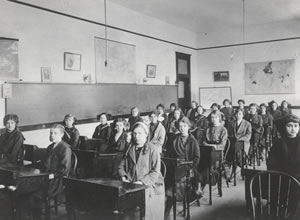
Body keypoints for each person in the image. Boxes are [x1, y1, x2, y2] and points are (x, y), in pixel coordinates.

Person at [119, 122, 164, 220]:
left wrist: (141, 182)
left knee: (147, 213)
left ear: (146, 134)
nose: (136, 136)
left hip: (149, 185)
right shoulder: (129, 148)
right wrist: (123, 177)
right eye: (134, 133)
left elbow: (155, 172)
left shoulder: (153, 149)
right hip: (131, 184)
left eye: (140, 133)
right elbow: (121, 166)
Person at [31, 124, 72, 219]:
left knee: (36, 193)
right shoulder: (50, 147)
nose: (52, 135)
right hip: (46, 176)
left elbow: (64, 170)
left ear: (61, 135)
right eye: (51, 133)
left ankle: (38, 216)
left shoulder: (65, 148)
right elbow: (44, 164)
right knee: (30, 188)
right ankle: (36, 215)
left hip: (58, 180)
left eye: (55, 133)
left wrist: (50, 176)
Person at [164, 117, 200, 220]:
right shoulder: (175, 140)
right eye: (180, 126)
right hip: (175, 167)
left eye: (184, 126)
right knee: (167, 177)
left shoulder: (193, 141)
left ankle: (170, 203)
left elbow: (196, 159)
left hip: (188, 168)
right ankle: (167, 208)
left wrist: (188, 167)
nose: (182, 128)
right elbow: (169, 155)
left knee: (175, 183)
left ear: (188, 127)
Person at [198, 110, 228, 193]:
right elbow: (203, 141)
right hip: (207, 151)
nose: (213, 119)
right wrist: (206, 144)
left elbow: (223, 144)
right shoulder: (207, 129)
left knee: (209, 165)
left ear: (219, 118)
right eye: (212, 118)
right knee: (199, 164)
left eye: (215, 117)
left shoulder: (223, 129)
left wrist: (215, 146)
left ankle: (201, 185)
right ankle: (198, 186)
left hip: (218, 153)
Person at [267, 115, 300, 180]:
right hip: (282, 177)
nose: (293, 129)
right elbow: (271, 163)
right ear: (284, 127)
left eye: (296, 126)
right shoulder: (278, 143)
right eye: (289, 126)